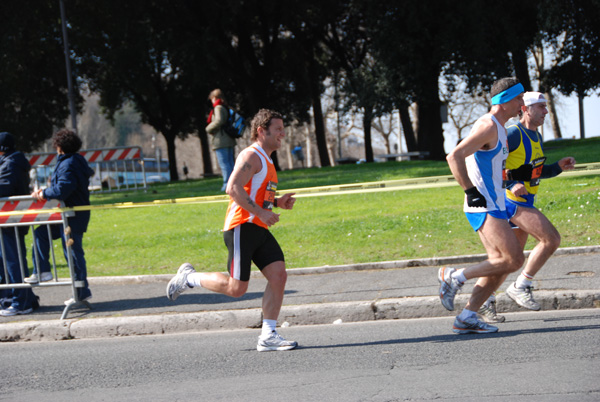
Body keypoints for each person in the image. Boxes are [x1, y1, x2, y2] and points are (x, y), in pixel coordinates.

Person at [167, 109, 298, 351]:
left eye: (282, 129)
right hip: (241, 228)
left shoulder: (266, 159)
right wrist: (260, 213)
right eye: (278, 129)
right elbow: (233, 188)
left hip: (257, 228)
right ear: (261, 131)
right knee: (236, 289)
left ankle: (268, 335)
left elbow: (256, 194)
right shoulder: (251, 155)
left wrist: (277, 203)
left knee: (279, 275)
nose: (283, 133)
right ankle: (189, 278)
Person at [476, 92, 576, 322]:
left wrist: (558, 167)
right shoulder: (512, 133)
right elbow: (490, 165)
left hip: (525, 200)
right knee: (551, 239)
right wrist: (512, 182)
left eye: (546, 107)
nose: (546, 112)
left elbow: (535, 172)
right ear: (525, 109)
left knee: (509, 259)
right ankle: (522, 285)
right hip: (511, 200)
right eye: (540, 107)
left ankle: (484, 301)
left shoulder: (536, 137)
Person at [440, 77, 527, 334]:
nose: (522, 104)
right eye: (519, 99)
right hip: (484, 204)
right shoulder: (488, 125)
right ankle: (453, 277)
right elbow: (454, 156)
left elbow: (490, 168)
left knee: (499, 264)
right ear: (504, 100)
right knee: (513, 259)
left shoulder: (500, 129)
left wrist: (513, 177)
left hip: (496, 202)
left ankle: (467, 316)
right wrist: (469, 190)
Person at [26, 129, 95, 306]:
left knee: (72, 252)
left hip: (72, 215)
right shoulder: (73, 161)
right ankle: (43, 270)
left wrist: (44, 192)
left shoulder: (68, 163)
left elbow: (63, 188)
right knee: (42, 234)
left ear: (59, 146)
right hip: (69, 215)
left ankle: (80, 291)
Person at [0, 132, 37, 316]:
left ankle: (20, 302)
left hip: (10, 221)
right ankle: (18, 299)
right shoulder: (11, 161)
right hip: (8, 221)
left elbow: (3, 187)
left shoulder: (10, 164)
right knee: (9, 262)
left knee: (13, 262)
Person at [207, 89, 237, 192]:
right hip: (229, 138)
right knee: (230, 163)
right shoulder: (226, 107)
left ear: (214, 98)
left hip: (221, 140)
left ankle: (227, 185)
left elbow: (219, 121)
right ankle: (235, 183)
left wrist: (208, 128)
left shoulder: (218, 107)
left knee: (224, 164)